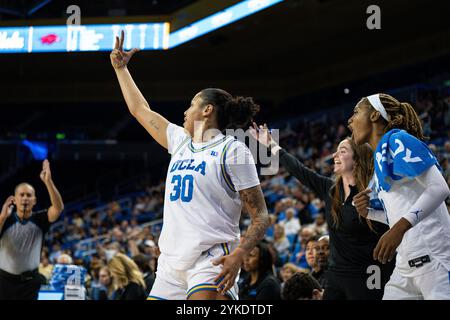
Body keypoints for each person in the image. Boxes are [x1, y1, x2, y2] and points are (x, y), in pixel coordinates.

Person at [110, 31, 269, 300]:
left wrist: (240, 255)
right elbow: (140, 110)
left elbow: (261, 216)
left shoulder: (233, 150)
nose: (185, 111)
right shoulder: (180, 140)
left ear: (207, 110)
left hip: (212, 258)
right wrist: (121, 69)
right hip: (170, 263)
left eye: (191, 104)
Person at [251, 124, 394, 300]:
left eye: (342, 151)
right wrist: (271, 144)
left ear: (357, 160)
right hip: (336, 275)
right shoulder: (330, 188)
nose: (334, 155)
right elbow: (299, 170)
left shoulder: (374, 193)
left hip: (368, 273)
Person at [348, 93, 450, 299]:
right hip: (404, 267)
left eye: (356, 112)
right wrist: (368, 212)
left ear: (375, 115)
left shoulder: (398, 139)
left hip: (436, 260)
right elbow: (397, 216)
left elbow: (439, 188)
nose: (350, 120)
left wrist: (399, 228)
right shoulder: (380, 160)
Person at [0, 160, 64, 300]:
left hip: (30, 283)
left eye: (29, 195)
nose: (25, 198)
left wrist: (48, 181)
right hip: (4, 283)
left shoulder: (40, 219)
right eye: (21, 195)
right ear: (14, 200)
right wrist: (2, 217)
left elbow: (58, 209)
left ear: (34, 201)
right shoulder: (5, 219)